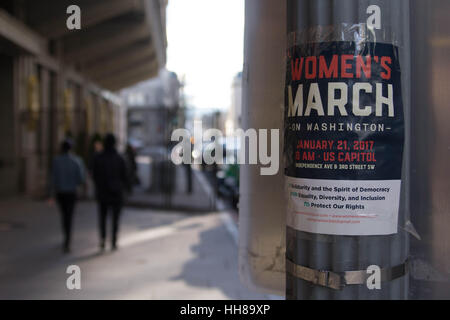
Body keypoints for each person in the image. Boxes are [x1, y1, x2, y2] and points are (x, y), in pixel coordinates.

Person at [92, 134, 127, 251]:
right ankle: (113, 240)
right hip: (116, 193)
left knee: (102, 217)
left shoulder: (98, 157)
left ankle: (103, 239)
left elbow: (94, 175)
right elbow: (125, 176)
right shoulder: (120, 158)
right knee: (115, 219)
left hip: (103, 193)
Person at [51, 139, 85, 253]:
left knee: (64, 215)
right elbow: (80, 178)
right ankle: (67, 240)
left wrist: (51, 193)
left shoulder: (56, 161)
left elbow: (53, 179)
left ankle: (66, 237)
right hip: (71, 193)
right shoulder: (76, 161)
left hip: (61, 193)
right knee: (69, 216)